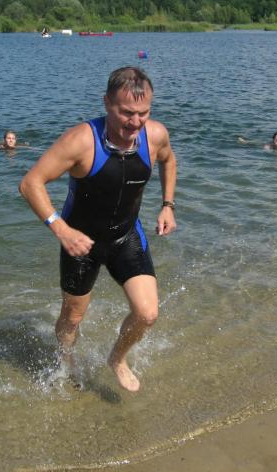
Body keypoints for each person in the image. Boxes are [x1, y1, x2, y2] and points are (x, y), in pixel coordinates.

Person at [20, 66, 177, 392]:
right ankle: (66, 361)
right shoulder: (80, 141)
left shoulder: (155, 135)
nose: (135, 122)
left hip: (125, 236)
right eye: (126, 113)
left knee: (147, 314)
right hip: (80, 242)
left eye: (143, 113)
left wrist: (167, 204)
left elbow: (168, 161)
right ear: (107, 103)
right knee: (72, 318)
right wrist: (61, 230)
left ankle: (117, 358)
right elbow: (31, 183)